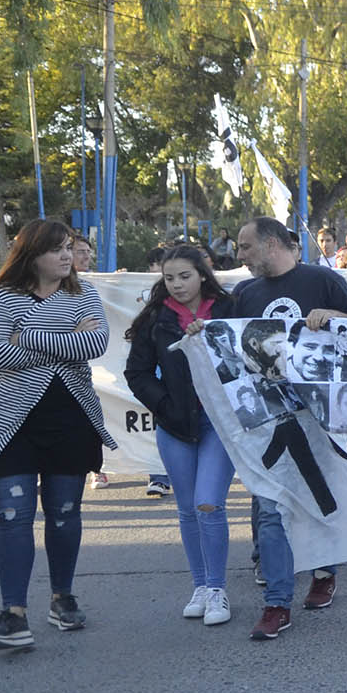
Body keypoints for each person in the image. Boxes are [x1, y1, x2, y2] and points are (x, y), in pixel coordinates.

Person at [228, 216, 347, 640]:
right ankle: (276, 603)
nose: (240, 256)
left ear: (272, 244)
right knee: (271, 506)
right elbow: (230, 346)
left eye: (246, 247)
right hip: (268, 417)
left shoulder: (323, 280)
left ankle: (324, 571)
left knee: (321, 500)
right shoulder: (244, 293)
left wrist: (334, 316)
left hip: (321, 417)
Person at [0, 221, 115, 648]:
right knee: (13, 516)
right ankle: (13, 612)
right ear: (31, 255)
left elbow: (95, 343)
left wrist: (27, 335)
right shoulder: (3, 298)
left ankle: (62, 598)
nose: (67, 256)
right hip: (12, 422)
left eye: (69, 248)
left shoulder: (83, 295)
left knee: (64, 513)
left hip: (72, 420)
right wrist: (66, 338)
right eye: (57, 250)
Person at [124, 245, 238, 627]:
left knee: (209, 503)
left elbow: (250, 358)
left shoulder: (227, 310)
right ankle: (202, 586)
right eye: (169, 278)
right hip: (174, 426)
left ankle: (218, 589)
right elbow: (136, 374)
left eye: (184, 276)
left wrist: (212, 338)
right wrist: (165, 407)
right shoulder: (156, 317)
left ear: (203, 275)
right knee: (187, 508)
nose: (176, 285)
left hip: (218, 425)